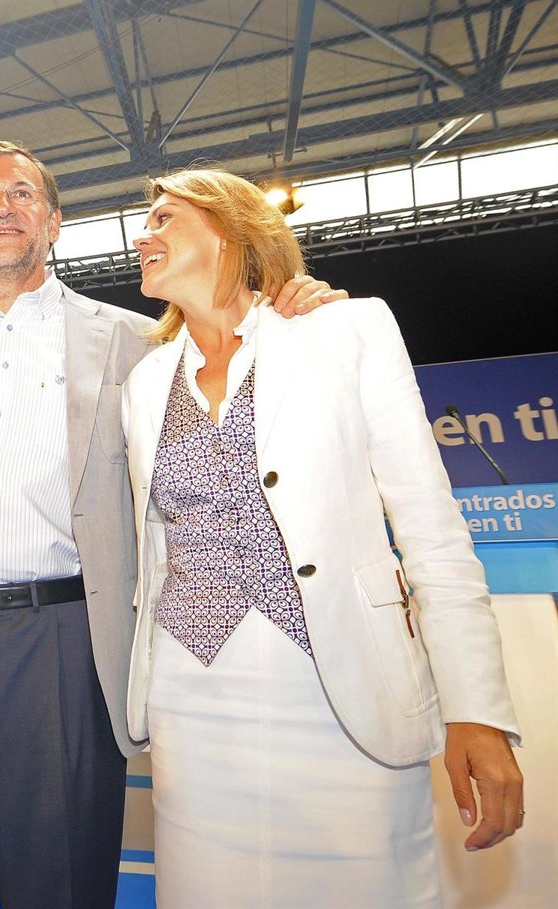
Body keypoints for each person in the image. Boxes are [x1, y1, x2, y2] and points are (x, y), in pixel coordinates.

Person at [0, 140, 344, 908]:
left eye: (22, 194)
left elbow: (234, 352)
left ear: (54, 222)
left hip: (60, 644)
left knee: (59, 883)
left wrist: (292, 308)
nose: (2, 207)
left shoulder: (134, 339)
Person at [122, 167, 523, 908]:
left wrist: (477, 708)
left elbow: (431, 527)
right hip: (192, 704)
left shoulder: (345, 330)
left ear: (231, 230)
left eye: (164, 218)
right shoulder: (144, 383)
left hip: (343, 691)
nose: (142, 235)